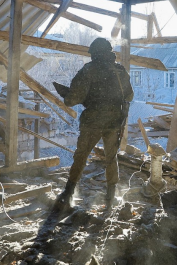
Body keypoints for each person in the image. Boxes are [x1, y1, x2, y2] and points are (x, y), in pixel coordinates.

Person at [55, 37, 133, 209]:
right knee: (111, 158)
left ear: (96, 54)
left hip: (93, 121)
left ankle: (68, 193)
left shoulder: (89, 70)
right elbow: (129, 96)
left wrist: (65, 95)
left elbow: (72, 99)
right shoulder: (120, 71)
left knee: (81, 156)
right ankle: (110, 196)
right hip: (114, 122)